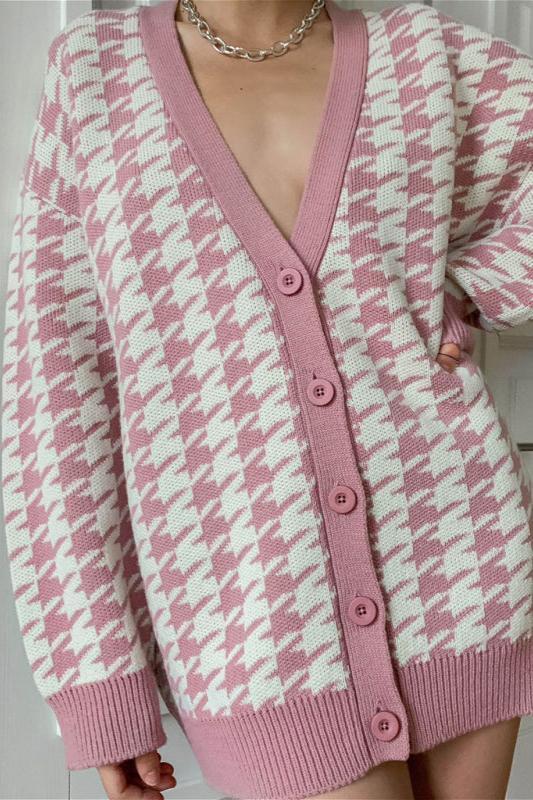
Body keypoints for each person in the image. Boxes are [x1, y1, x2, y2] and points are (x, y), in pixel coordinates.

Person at [3, 0, 533, 798]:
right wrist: (99, 685)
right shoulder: (94, 76)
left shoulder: (420, 57)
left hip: (459, 564)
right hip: (254, 617)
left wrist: (468, 288)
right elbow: (53, 396)